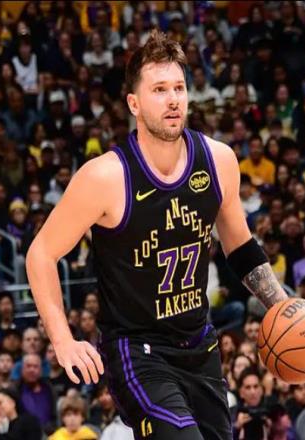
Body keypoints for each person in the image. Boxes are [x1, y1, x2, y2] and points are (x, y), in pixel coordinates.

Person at [26, 30, 288, 440]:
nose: (173, 99)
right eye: (160, 89)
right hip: (137, 350)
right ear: (134, 103)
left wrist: (284, 307)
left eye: (179, 88)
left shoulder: (218, 160)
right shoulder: (105, 177)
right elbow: (41, 254)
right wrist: (62, 339)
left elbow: (239, 246)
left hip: (199, 343)